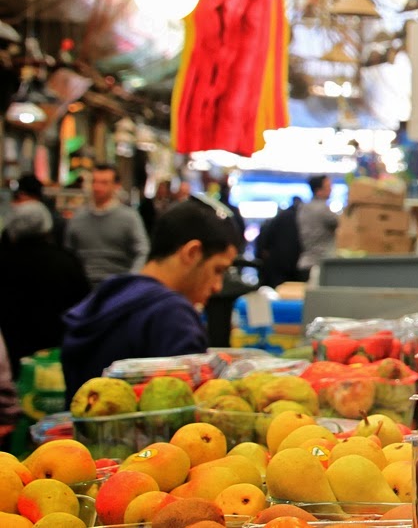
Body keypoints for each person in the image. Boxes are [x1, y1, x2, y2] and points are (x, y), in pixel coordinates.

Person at [61, 196, 239, 401]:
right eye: (218, 270)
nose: (218, 286)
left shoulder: (111, 291)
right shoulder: (172, 316)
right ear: (192, 253)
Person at [0, 184, 90, 362]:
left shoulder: (4, 261)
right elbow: (82, 308)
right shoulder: (65, 262)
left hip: (10, 352)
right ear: (47, 227)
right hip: (56, 354)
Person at [65, 165, 149, 286]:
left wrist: (130, 280)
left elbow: (142, 251)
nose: (97, 187)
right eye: (94, 182)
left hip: (117, 285)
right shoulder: (78, 217)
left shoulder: (129, 217)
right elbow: (69, 252)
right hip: (81, 286)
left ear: (116, 186)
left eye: (104, 183)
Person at [257, 197, 304, 287]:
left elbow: (265, 238)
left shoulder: (280, 217)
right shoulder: (299, 219)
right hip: (292, 263)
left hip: (275, 263)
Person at [297, 175, 338, 275]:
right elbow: (343, 224)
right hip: (321, 264)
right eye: (328, 186)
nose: (331, 189)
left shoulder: (304, 207)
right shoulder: (323, 209)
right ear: (318, 190)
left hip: (306, 262)